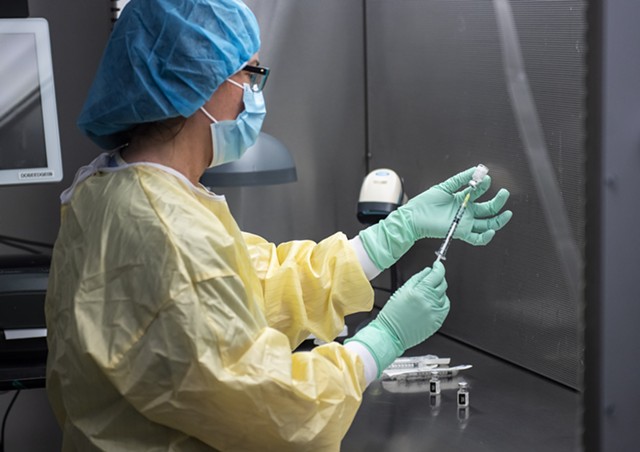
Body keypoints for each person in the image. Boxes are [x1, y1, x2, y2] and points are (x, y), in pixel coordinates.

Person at [45, 0, 512, 450]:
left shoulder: (123, 190)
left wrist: (395, 232)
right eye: (250, 74)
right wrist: (380, 342)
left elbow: (251, 287)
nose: (254, 94)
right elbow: (270, 407)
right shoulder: (165, 229)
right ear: (201, 82)